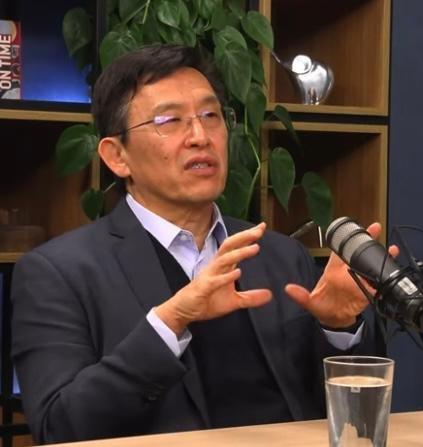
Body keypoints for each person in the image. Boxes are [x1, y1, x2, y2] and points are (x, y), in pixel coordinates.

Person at [11, 44, 386, 444]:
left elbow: (344, 419)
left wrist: (337, 328)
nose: (200, 137)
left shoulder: (279, 255)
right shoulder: (59, 273)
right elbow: (60, 427)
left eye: (211, 116)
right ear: (117, 156)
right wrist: (170, 321)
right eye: (169, 120)